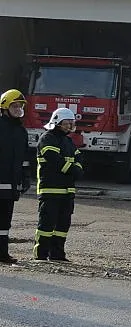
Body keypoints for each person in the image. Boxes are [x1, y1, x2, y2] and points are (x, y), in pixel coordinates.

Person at [34, 107, 82, 261]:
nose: (69, 126)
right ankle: (41, 254)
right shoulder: (47, 138)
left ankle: (57, 254)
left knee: (63, 226)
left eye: (71, 123)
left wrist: (77, 169)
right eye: (66, 123)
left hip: (67, 191)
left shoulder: (68, 141)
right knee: (46, 225)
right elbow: (53, 159)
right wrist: (72, 170)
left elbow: (79, 159)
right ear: (56, 122)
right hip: (50, 190)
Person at [0, 89, 29, 265]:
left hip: (11, 185)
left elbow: (24, 158)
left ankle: (2, 254)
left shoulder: (21, 131)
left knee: (4, 223)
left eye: (20, 106)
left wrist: (25, 177)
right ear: (4, 107)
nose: (18, 109)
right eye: (15, 106)